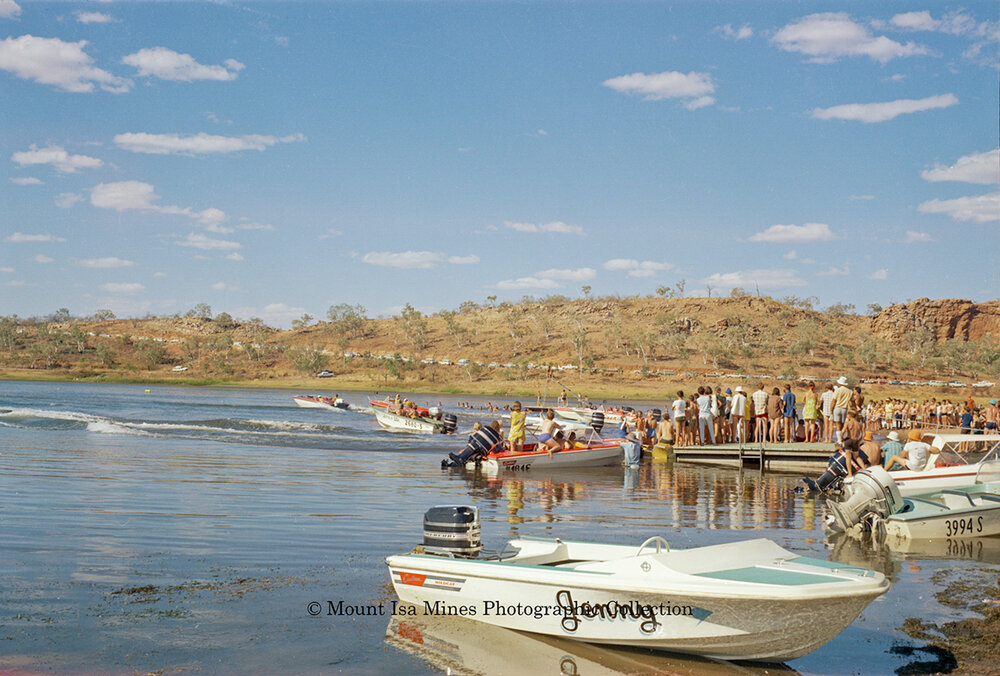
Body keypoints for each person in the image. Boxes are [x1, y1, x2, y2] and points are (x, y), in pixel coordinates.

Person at [831, 376, 852, 442]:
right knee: (842, 424)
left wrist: (831, 409)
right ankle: (841, 438)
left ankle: (839, 440)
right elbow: (851, 401)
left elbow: (834, 400)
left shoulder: (837, 390)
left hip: (837, 408)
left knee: (837, 424)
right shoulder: (849, 391)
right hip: (844, 409)